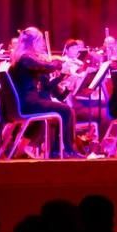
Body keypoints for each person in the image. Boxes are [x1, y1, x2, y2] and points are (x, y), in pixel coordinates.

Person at [11, 27, 83, 158]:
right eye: (40, 41)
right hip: (29, 102)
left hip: (29, 101)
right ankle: (66, 150)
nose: (42, 44)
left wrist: (62, 75)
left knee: (65, 110)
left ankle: (57, 150)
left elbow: (46, 82)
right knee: (66, 110)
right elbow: (46, 67)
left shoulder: (22, 57)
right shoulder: (25, 58)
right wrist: (59, 63)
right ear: (34, 42)